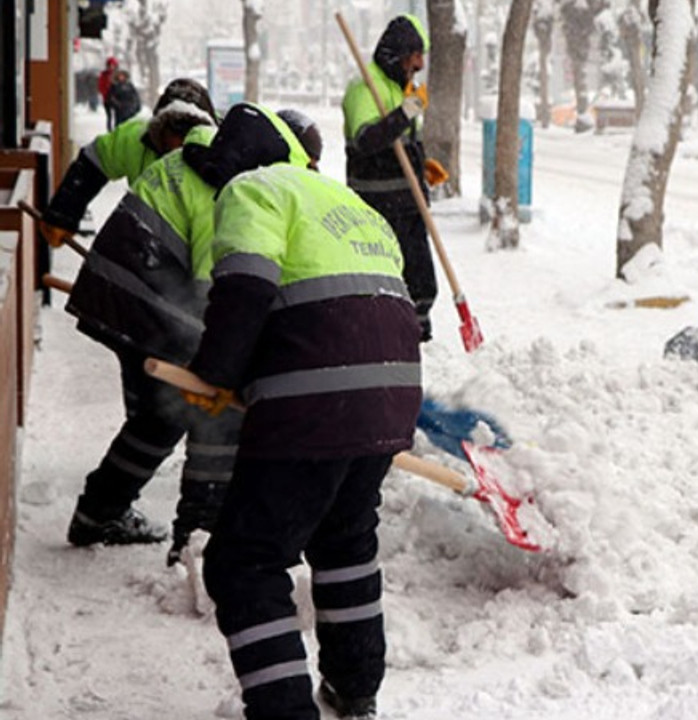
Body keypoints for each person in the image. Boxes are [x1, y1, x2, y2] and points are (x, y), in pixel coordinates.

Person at [182, 103, 421, 720]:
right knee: (345, 541)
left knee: (245, 561)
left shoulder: (253, 191)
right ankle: (355, 688)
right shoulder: (341, 200)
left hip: (317, 402)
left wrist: (216, 374)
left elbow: (246, 291)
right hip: (391, 396)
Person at [53, 81, 222, 549]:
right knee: (177, 410)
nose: (173, 151)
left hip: (135, 285)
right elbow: (215, 288)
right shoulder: (211, 180)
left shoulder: (213, 167)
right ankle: (184, 526)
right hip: (141, 290)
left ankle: (100, 512)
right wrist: (63, 213)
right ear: (156, 132)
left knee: (159, 410)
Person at [342, 13, 437, 342]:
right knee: (388, 282)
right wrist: (406, 112)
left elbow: (401, 142)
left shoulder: (400, 88)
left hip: (408, 202)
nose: (420, 64)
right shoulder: (364, 88)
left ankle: (417, 335)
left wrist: (423, 164)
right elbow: (367, 141)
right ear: (399, 53)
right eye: (416, 55)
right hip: (379, 205)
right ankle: (389, 339)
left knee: (421, 281)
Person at [37, 78, 218, 248]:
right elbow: (91, 165)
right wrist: (62, 214)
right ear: (160, 128)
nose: (180, 144)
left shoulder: (226, 153)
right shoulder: (135, 140)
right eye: (175, 132)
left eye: (190, 134)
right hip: (147, 240)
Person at [99, 57, 118, 130]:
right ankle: (109, 130)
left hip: (116, 98)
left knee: (117, 115)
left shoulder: (117, 74)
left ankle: (116, 128)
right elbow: (101, 86)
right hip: (107, 98)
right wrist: (106, 93)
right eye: (110, 65)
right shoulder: (104, 75)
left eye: (113, 65)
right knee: (109, 116)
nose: (111, 67)